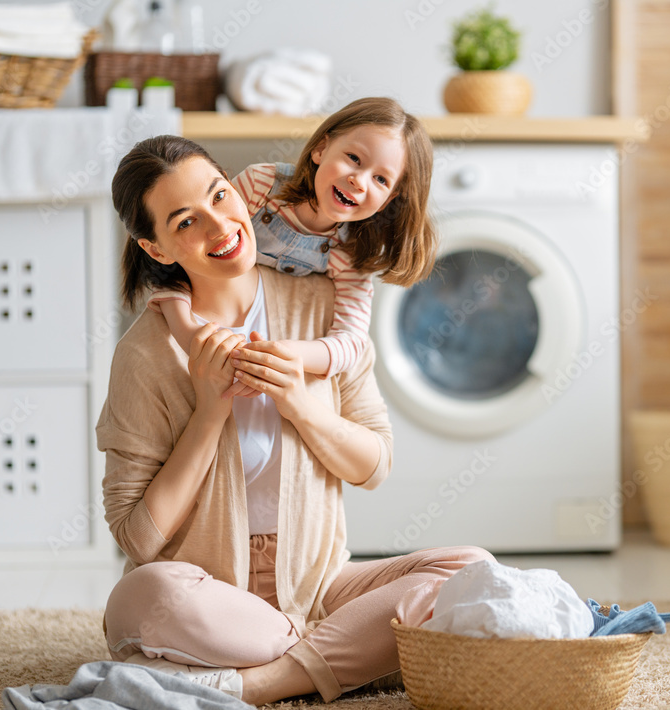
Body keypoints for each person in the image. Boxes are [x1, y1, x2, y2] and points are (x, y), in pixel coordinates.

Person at [97, 135, 493, 706]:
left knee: (471, 570)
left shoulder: (323, 310)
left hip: (319, 584)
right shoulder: (147, 354)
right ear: (156, 249)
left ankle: (261, 681)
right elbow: (138, 537)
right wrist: (209, 413)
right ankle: (345, 654)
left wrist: (303, 406)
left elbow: (374, 465)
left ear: (238, 188)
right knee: (150, 594)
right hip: (206, 597)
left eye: (219, 195)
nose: (219, 226)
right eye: (185, 222)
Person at [145, 97, 436, 398]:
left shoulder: (351, 254)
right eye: (354, 158)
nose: (359, 181)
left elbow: (351, 342)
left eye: (381, 179)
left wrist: (287, 353)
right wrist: (189, 335)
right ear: (321, 149)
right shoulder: (263, 185)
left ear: (389, 199)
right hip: (207, 322)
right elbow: (182, 256)